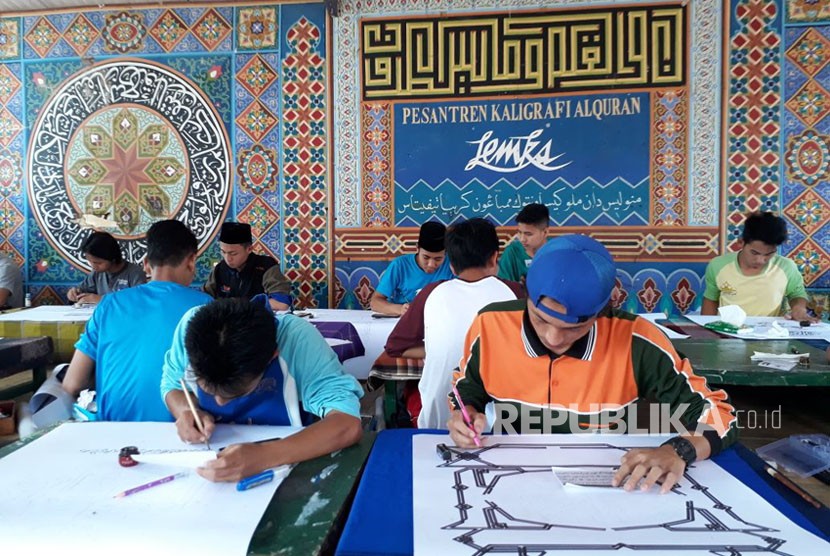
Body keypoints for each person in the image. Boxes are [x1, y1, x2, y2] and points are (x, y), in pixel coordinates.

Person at [449, 234, 738, 494]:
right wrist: (466, 413)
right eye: (540, 319)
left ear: (603, 310)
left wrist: (678, 449)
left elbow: (721, 416)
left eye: (574, 328)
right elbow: (467, 386)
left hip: (606, 485)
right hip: (509, 478)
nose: (553, 337)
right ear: (525, 292)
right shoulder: (490, 324)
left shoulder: (638, 341)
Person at [161, 298, 364, 482]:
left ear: (272, 356)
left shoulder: (296, 339)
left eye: (234, 393)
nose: (219, 402)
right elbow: (171, 385)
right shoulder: (191, 328)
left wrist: (265, 455)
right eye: (208, 388)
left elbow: (346, 423)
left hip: (284, 476)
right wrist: (186, 410)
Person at [62, 220, 211, 421]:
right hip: (184, 431)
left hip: (114, 433)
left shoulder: (108, 305)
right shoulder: (206, 307)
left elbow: (72, 383)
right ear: (191, 261)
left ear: (147, 264)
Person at [385, 218, 524, 429]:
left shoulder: (430, 294)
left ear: (451, 263)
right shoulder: (516, 294)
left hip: (438, 422)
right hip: (501, 424)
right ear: (495, 257)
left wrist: (437, 350)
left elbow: (395, 347)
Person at [702, 212, 817, 322]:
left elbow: (797, 295)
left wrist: (799, 308)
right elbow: (711, 299)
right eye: (754, 253)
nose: (761, 260)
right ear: (741, 242)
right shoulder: (718, 265)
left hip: (768, 335)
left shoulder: (787, 267)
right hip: (727, 333)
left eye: (769, 254)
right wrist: (706, 334)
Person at [370, 221, 453, 315]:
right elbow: (375, 302)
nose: (431, 264)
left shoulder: (453, 265)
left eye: (438, 259)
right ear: (417, 248)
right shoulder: (400, 265)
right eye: (426, 257)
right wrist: (401, 309)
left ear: (446, 252)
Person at [204, 222, 292, 311]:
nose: (228, 259)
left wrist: (240, 305)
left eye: (233, 253)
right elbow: (204, 299)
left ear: (249, 249)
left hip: (258, 321)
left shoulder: (266, 267)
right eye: (223, 252)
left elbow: (282, 304)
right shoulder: (219, 269)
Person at [67, 231, 146, 304]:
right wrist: (73, 293)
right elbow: (81, 290)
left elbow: (139, 301)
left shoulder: (135, 273)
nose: (93, 266)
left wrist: (101, 299)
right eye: (90, 261)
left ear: (112, 258)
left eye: (97, 262)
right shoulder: (96, 274)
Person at [497, 203, 550, 284]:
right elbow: (504, 288)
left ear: (545, 232)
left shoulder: (557, 251)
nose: (522, 239)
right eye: (519, 232)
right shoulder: (512, 252)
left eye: (528, 234)